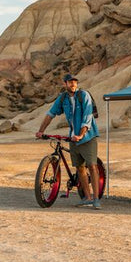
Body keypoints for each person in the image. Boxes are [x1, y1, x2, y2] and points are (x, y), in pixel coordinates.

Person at [36, 73, 101, 209]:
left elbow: (88, 116)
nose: (73, 84)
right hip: (73, 137)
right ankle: (87, 198)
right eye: (70, 82)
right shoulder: (62, 99)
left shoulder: (83, 95)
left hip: (88, 136)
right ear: (65, 84)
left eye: (75, 82)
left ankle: (96, 199)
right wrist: (41, 131)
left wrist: (81, 134)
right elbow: (50, 114)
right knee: (79, 167)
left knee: (92, 166)